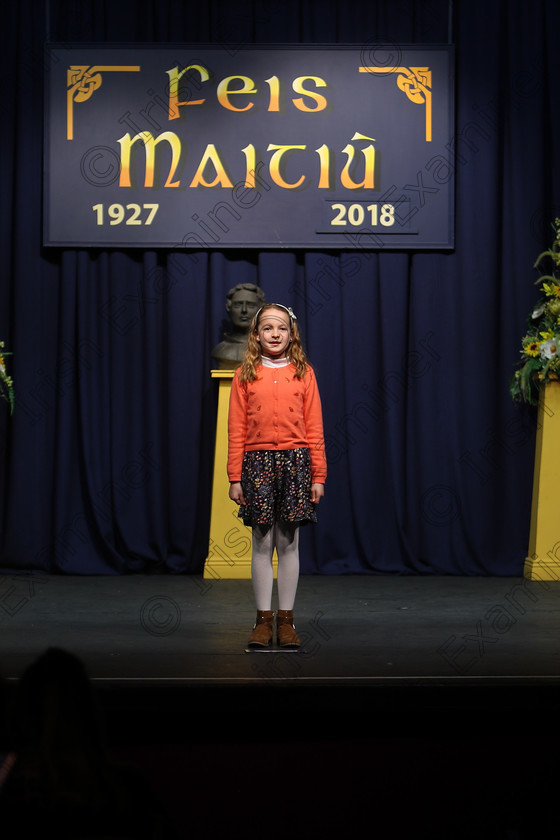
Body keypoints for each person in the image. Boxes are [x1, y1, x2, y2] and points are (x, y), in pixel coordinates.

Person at [227, 303, 327, 648]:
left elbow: (314, 428)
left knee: (288, 542)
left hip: (296, 463)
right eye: (267, 328)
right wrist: (234, 476)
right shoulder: (245, 373)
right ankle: (261, 620)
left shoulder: (304, 373)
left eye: (281, 328)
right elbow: (236, 428)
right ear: (256, 334)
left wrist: (318, 475)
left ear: (291, 333)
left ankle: (286, 622)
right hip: (257, 464)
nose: (274, 334)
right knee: (262, 542)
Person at [211, 283, 266, 369]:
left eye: (250, 305)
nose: (244, 310)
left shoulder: (267, 350)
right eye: (238, 305)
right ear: (228, 308)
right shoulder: (220, 351)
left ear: (260, 310)